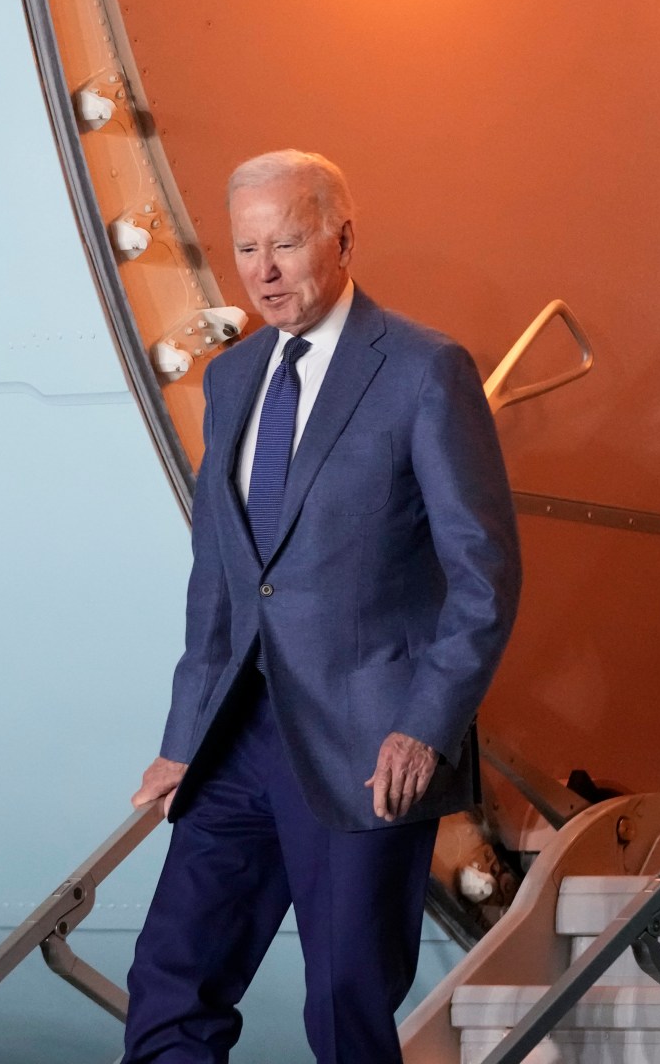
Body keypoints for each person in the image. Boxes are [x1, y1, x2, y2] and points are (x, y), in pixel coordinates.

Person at [122, 150, 522, 1064]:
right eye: (247, 247)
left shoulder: (424, 371)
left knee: (344, 1005)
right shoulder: (230, 378)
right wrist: (184, 736)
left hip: (371, 747)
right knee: (170, 980)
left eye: (287, 243)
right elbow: (221, 577)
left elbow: (483, 575)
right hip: (238, 740)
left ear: (343, 237)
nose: (263, 271)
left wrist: (426, 726)